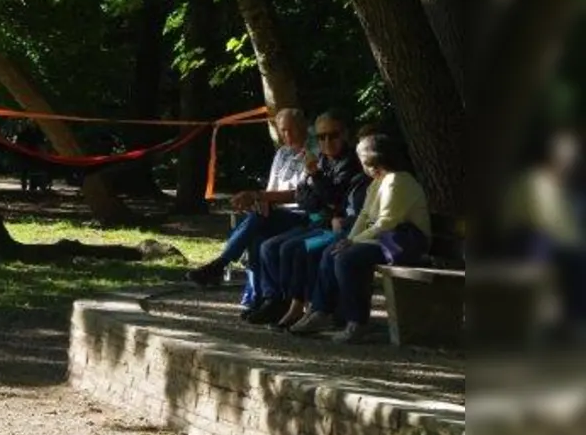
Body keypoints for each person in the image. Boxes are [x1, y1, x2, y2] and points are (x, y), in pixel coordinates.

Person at [296, 133, 432, 344]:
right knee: (333, 251)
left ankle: (356, 322)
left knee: (347, 258)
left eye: (363, 160)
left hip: (405, 243)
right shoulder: (378, 182)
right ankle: (321, 311)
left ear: (373, 160)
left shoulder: (398, 181)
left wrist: (354, 242)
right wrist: (349, 239)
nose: (362, 166)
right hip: (385, 240)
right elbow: (365, 216)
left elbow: (386, 222)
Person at [244, 112, 368, 328]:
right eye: (321, 137)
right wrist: (320, 197)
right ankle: (279, 301)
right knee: (269, 246)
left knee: (296, 249)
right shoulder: (320, 160)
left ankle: (303, 308)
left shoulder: (351, 163)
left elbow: (334, 199)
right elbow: (303, 196)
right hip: (318, 222)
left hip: (335, 229)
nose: (327, 142)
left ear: (345, 134)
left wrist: (317, 181)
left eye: (333, 135)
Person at [185, 108, 312, 305]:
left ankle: (220, 265)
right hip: (277, 214)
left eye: (291, 130)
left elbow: (301, 195)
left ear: (303, 127)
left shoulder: (315, 153)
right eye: (283, 130)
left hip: (302, 215)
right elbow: (271, 190)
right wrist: (258, 202)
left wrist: (256, 196)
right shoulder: (282, 154)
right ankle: (263, 299)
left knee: (258, 222)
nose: (287, 135)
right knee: (256, 236)